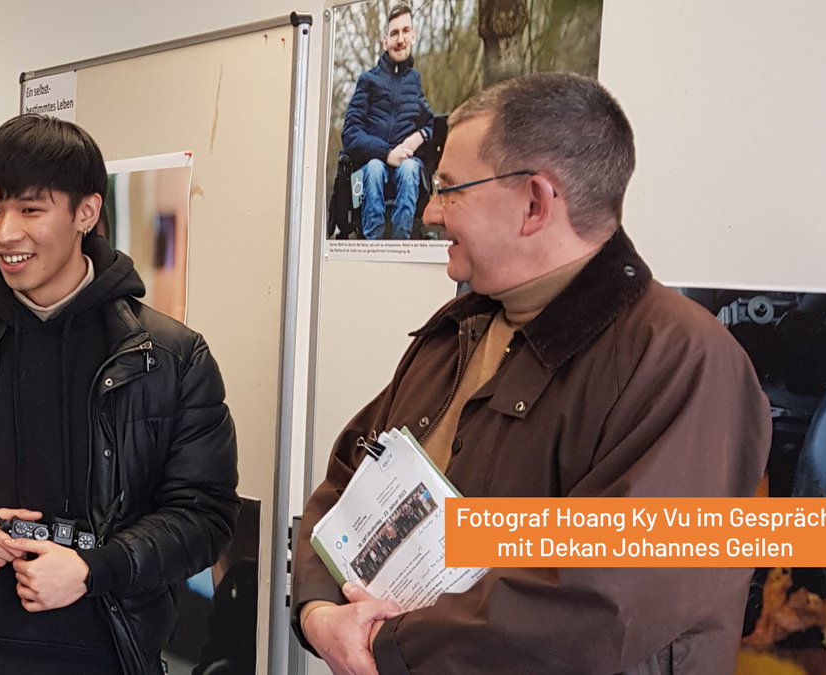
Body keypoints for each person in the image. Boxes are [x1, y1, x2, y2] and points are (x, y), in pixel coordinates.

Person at [292, 72, 771, 674]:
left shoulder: (684, 362)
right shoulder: (457, 334)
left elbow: (598, 600)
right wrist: (318, 613)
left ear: (535, 204)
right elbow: (347, 484)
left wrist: (385, 646)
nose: (432, 213)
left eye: (450, 189)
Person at [0, 114, 239, 675]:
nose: (5, 233)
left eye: (30, 209)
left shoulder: (170, 356)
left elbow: (204, 516)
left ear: (86, 213)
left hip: (106, 651)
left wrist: (93, 569)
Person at [342, 3, 433, 240]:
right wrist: (386, 153)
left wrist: (420, 136)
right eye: (394, 33)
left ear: (413, 36)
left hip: (405, 168)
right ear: (385, 42)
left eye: (405, 32)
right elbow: (350, 134)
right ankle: (372, 243)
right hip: (373, 167)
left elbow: (431, 124)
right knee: (373, 168)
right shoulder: (367, 81)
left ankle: (403, 242)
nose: (400, 39)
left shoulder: (415, 83)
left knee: (411, 168)